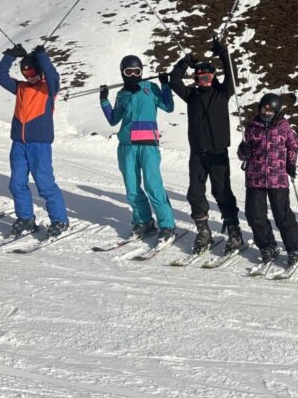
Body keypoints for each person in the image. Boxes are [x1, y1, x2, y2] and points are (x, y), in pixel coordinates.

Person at [169, 37, 242, 255]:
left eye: (208, 77)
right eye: (201, 78)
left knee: (222, 192)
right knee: (195, 193)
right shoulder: (191, 96)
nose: (205, 81)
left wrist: (224, 53)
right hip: (197, 154)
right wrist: (184, 63)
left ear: (214, 77)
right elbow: (174, 82)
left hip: (218, 153)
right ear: (196, 79)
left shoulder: (222, 92)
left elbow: (232, 76)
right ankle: (203, 231)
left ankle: (234, 232)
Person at [100, 55, 176, 241]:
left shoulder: (150, 88)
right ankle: (143, 221)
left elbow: (168, 106)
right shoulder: (122, 94)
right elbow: (113, 120)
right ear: (123, 73)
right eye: (128, 72)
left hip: (148, 144)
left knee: (153, 185)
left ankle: (167, 225)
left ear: (141, 71)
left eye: (136, 71)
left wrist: (165, 85)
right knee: (132, 188)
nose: (133, 75)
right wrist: (104, 101)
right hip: (127, 145)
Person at [0, 43, 67, 238]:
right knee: (16, 183)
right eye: (26, 73)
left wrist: (43, 56)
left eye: (33, 72)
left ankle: (60, 220)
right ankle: (25, 217)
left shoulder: (48, 88)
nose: (30, 77)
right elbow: (0, 77)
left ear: (40, 71)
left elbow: (53, 76)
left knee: (44, 184)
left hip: (39, 145)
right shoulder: (20, 87)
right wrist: (10, 55)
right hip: (19, 144)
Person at [238, 93, 298, 267]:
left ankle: (295, 249)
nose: (266, 113)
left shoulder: (284, 127)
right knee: (254, 215)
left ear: (277, 112)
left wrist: (291, 163)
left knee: (282, 215)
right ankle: (267, 246)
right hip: (255, 177)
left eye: (270, 110)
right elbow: (243, 154)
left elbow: (293, 145)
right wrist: (243, 150)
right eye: (264, 109)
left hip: (277, 178)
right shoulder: (252, 127)